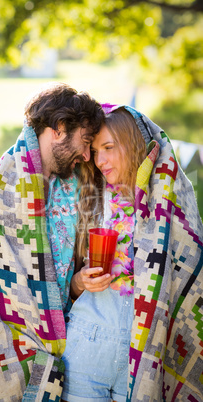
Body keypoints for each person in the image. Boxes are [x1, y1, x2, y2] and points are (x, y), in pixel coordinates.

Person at [0, 82, 105, 402]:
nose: (86, 154)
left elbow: (52, 282)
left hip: (62, 338)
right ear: (59, 128)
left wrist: (76, 286)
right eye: (84, 142)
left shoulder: (71, 191)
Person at [61, 105, 203, 402]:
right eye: (96, 151)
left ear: (133, 142)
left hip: (142, 361)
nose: (100, 160)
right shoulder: (90, 200)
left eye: (109, 148)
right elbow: (66, 283)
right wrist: (79, 282)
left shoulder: (163, 208)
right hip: (86, 347)